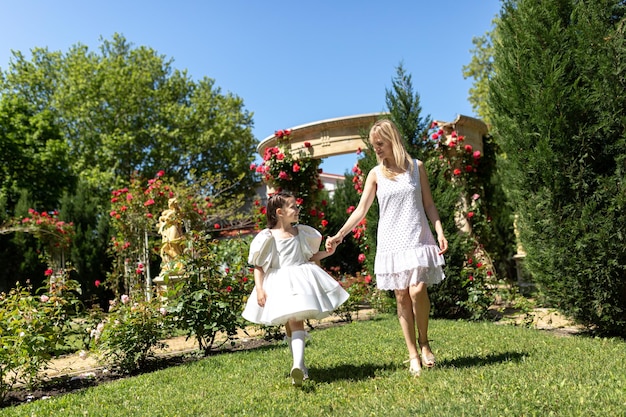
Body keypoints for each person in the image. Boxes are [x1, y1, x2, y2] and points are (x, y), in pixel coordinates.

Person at [326, 119, 448, 377]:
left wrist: (439, 230)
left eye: (380, 144)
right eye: (373, 146)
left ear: (392, 140)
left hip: (417, 237)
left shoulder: (417, 167)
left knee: (417, 291)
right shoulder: (375, 174)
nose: (377, 149)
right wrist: (339, 235)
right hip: (392, 242)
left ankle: (425, 341)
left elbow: (429, 204)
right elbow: (361, 210)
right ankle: (413, 353)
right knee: (401, 296)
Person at [242, 191, 349, 387]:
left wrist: (327, 253)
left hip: (300, 280)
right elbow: (259, 266)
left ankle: (298, 365)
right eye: (293, 206)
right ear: (280, 212)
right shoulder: (268, 237)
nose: (297, 209)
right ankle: (299, 367)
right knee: (290, 323)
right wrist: (259, 289)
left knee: (295, 320)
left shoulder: (301, 232)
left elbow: (309, 257)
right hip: (279, 283)